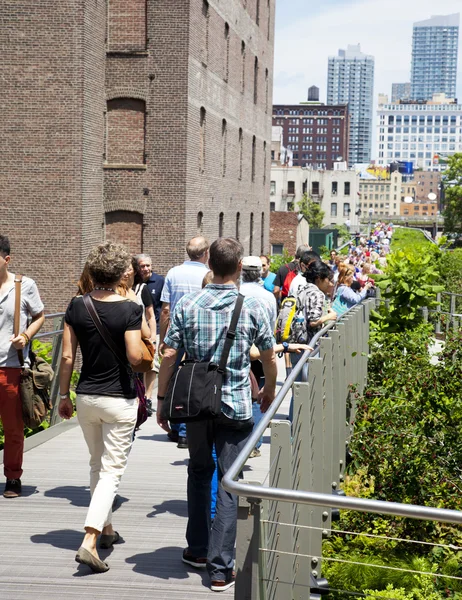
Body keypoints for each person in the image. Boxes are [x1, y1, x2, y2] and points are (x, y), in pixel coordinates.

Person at [156, 237, 277, 593]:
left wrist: (163, 399)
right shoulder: (251, 305)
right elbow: (268, 356)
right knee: (229, 481)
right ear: (239, 267)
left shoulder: (188, 304)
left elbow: (168, 354)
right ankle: (221, 568)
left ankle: (196, 549)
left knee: (197, 472)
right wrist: (268, 390)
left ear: (209, 264)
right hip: (236, 405)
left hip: (194, 405)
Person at [58, 242, 144, 573]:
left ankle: (106, 529)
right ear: (121, 272)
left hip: (86, 397)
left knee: (96, 464)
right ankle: (91, 539)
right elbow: (135, 358)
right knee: (111, 470)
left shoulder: (76, 305)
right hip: (119, 399)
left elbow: (67, 356)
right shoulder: (130, 308)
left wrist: (63, 395)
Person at [0, 235, 45, 498]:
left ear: (7, 259)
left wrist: (26, 336)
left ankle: (13, 477)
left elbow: (39, 316)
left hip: (11, 367)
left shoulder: (24, 285)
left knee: (13, 428)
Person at [159, 236, 210, 449]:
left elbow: (165, 310)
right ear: (206, 253)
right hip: (199, 333)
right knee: (195, 379)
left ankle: (177, 427)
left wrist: (163, 339)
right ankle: (189, 429)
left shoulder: (173, 273)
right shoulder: (208, 275)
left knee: (172, 378)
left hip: (176, 332)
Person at [239, 256, 278, 459]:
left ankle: (240, 442)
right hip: (261, 351)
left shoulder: (237, 293)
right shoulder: (268, 297)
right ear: (260, 273)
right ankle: (254, 443)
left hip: (240, 351)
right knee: (259, 395)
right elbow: (271, 328)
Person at [135, 254, 164, 413]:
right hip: (135, 331)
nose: (145, 268)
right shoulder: (132, 284)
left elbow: (163, 307)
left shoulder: (159, 282)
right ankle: (138, 395)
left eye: (147, 265)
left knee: (152, 364)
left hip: (155, 329)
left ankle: (148, 397)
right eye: (142, 266)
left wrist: (156, 334)